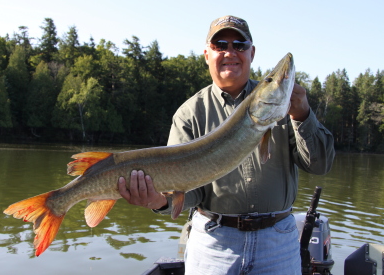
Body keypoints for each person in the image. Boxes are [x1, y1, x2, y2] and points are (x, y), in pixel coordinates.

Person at [118, 15, 335, 275]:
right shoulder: (189, 114)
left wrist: (303, 116)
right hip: (214, 244)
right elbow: (191, 191)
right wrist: (158, 201)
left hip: (278, 242)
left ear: (251, 53)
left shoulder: (284, 109)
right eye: (220, 44)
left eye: (239, 45)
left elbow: (320, 164)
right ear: (207, 54)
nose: (230, 52)